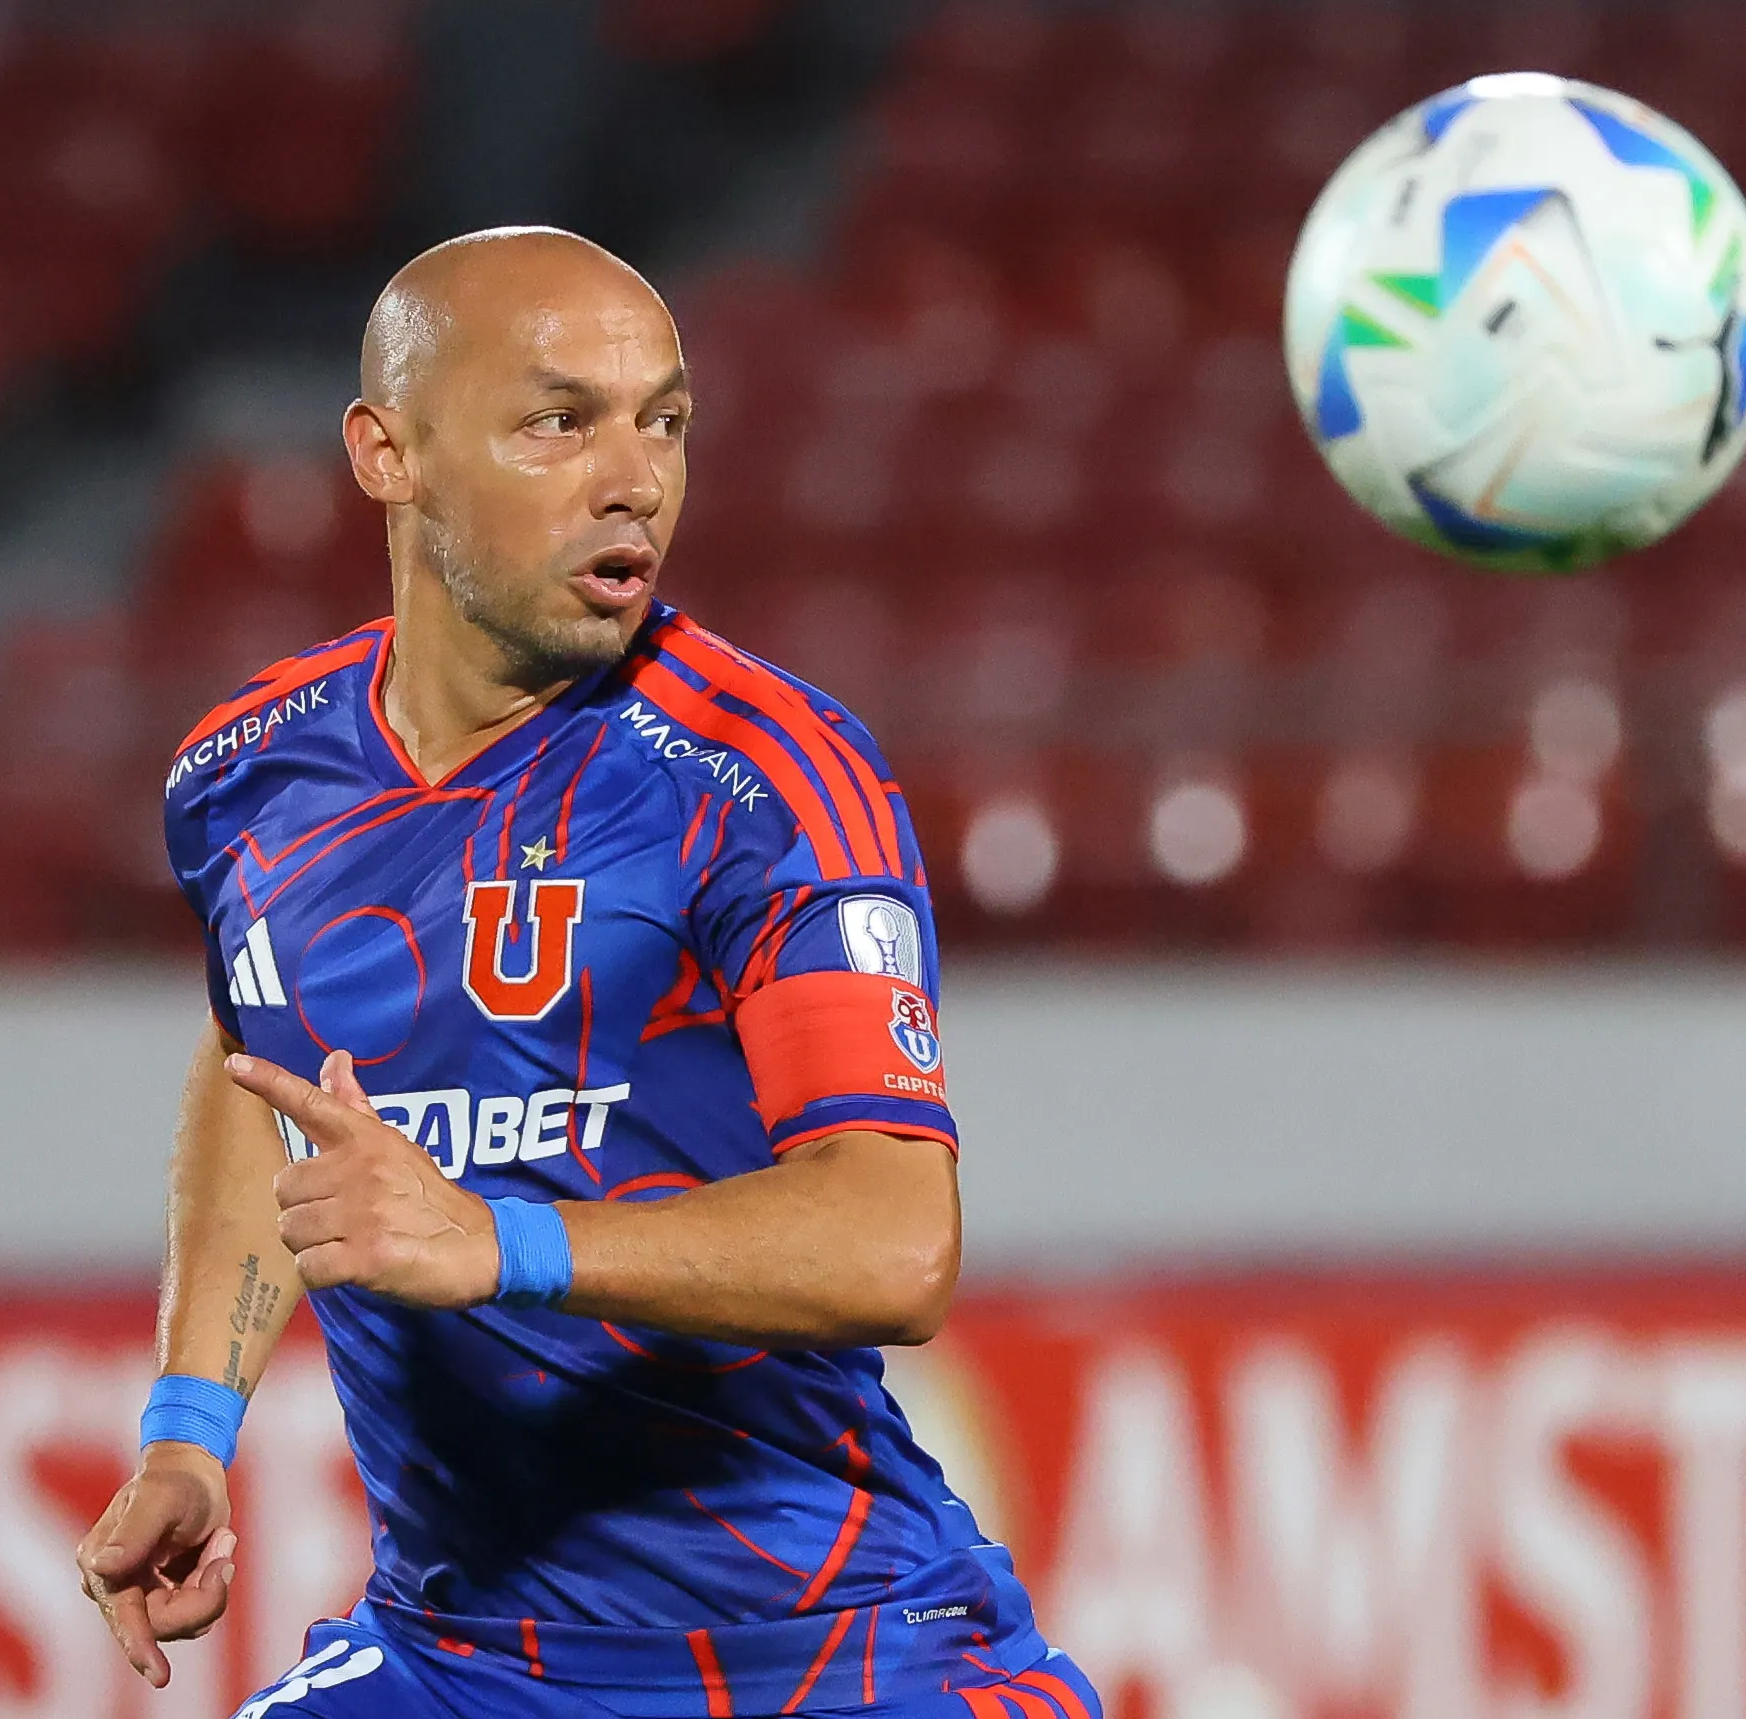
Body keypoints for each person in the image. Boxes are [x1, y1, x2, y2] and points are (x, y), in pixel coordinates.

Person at [74, 226, 1099, 1719]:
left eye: (664, 420)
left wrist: (500, 1242)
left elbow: (895, 1239)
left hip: (829, 1657)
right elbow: (264, 1063)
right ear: (388, 453)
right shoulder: (247, 775)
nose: (638, 478)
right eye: (562, 421)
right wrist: (187, 1425)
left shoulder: (763, 781)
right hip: (459, 1660)